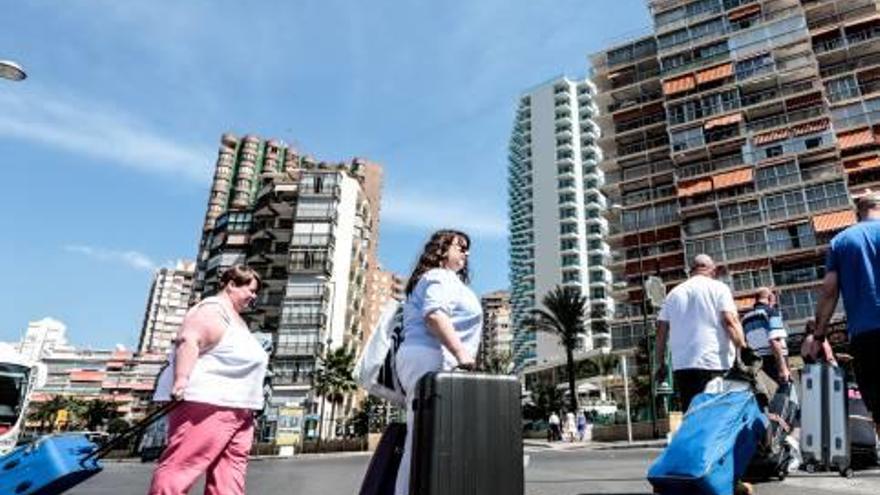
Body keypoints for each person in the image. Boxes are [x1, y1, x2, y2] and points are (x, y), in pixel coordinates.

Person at [149, 265, 269, 495]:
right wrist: (181, 380)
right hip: (209, 403)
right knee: (182, 467)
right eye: (250, 290)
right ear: (231, 284)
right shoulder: (212, 309)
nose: (253, 297)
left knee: (229, 475)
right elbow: (188, 340)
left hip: (240, 408)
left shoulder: (235, 317)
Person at [394, 229, 482, 495]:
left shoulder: (441, 279)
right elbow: (434, 315)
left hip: (425, 358)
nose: (466, 252)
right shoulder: (440, 276)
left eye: (468, 248)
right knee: (426, 439)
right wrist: (462, 355)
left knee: (423, 439)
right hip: (430, 357)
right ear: (441, 250)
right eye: (460, 246)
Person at [811, 192, 880, 435]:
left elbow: (829, 291)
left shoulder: (841, 241)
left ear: (857, 212)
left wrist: (819, 337)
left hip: (865, 335)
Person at [655, 254, 747, 412]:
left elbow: (661, 331)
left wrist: (660, 363)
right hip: (715, 363)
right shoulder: (719, 288)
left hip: (683, 367)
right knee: (718, 415)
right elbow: (730, 321)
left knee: (693, 414)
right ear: (711, 269)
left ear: (691, 270)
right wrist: (744, 349)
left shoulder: (673, 294)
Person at [741, 287, 791, 386]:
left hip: (757, 363)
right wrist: (783, 368)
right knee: (786, 394)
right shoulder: (771, 313)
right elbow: (774, 341)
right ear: (770, 297)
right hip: (774, 360)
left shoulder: (745, 318)